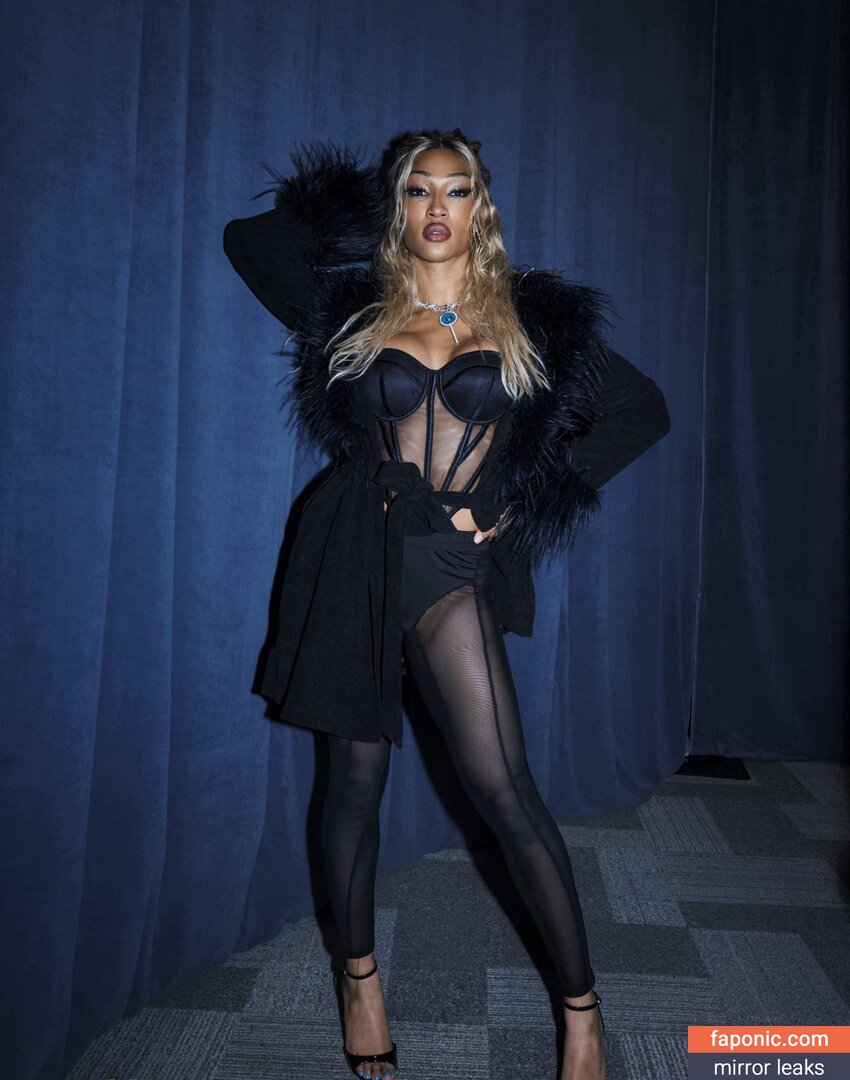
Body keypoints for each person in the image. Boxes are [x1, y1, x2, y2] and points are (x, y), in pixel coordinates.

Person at [224, 128, 670, 1080]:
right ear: (399, 205)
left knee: (505, 788)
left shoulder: (530, 316)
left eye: (455, 190)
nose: (437, 207)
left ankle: (582, 1013)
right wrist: (356, 201)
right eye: (418, 190)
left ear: (482, 206)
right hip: (352, 550)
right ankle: (360, 982)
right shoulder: (356, 307)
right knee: (353, 785)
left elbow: (642, 410)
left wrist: (515, 504)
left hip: (447, 562)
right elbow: (250, 242)